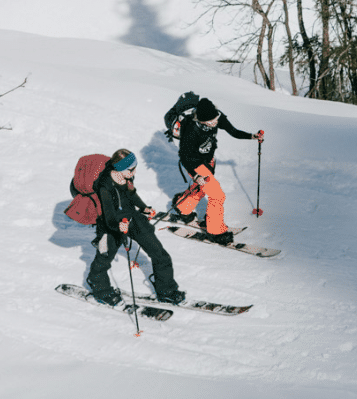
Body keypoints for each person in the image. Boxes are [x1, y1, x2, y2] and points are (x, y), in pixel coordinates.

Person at [86, 149, 185, 305]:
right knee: (104, 258)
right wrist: (118, 226)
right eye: (131, 169)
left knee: (160, 253)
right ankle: (98, 285)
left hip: (132, 218)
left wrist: (144, 208)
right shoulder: (105, 186)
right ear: (119, 168)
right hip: (111, 225)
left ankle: (166, 290)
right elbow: (108, 216)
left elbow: (131, 194)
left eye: (135, 167)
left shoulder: (126, 177)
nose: (134, 171)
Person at [171, 98, 264, 245]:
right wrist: (195, 175)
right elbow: (184, 156)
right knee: (217, 195)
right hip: (194, 163)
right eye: (210, 122)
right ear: (201, 121)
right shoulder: (191, 129)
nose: (215, 124)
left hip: (209, 161)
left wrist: (252, 136)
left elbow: (233, 131)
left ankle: (183, 207)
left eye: (215, 120)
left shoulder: (217, 116)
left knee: (203, 188)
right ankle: (215, 231)